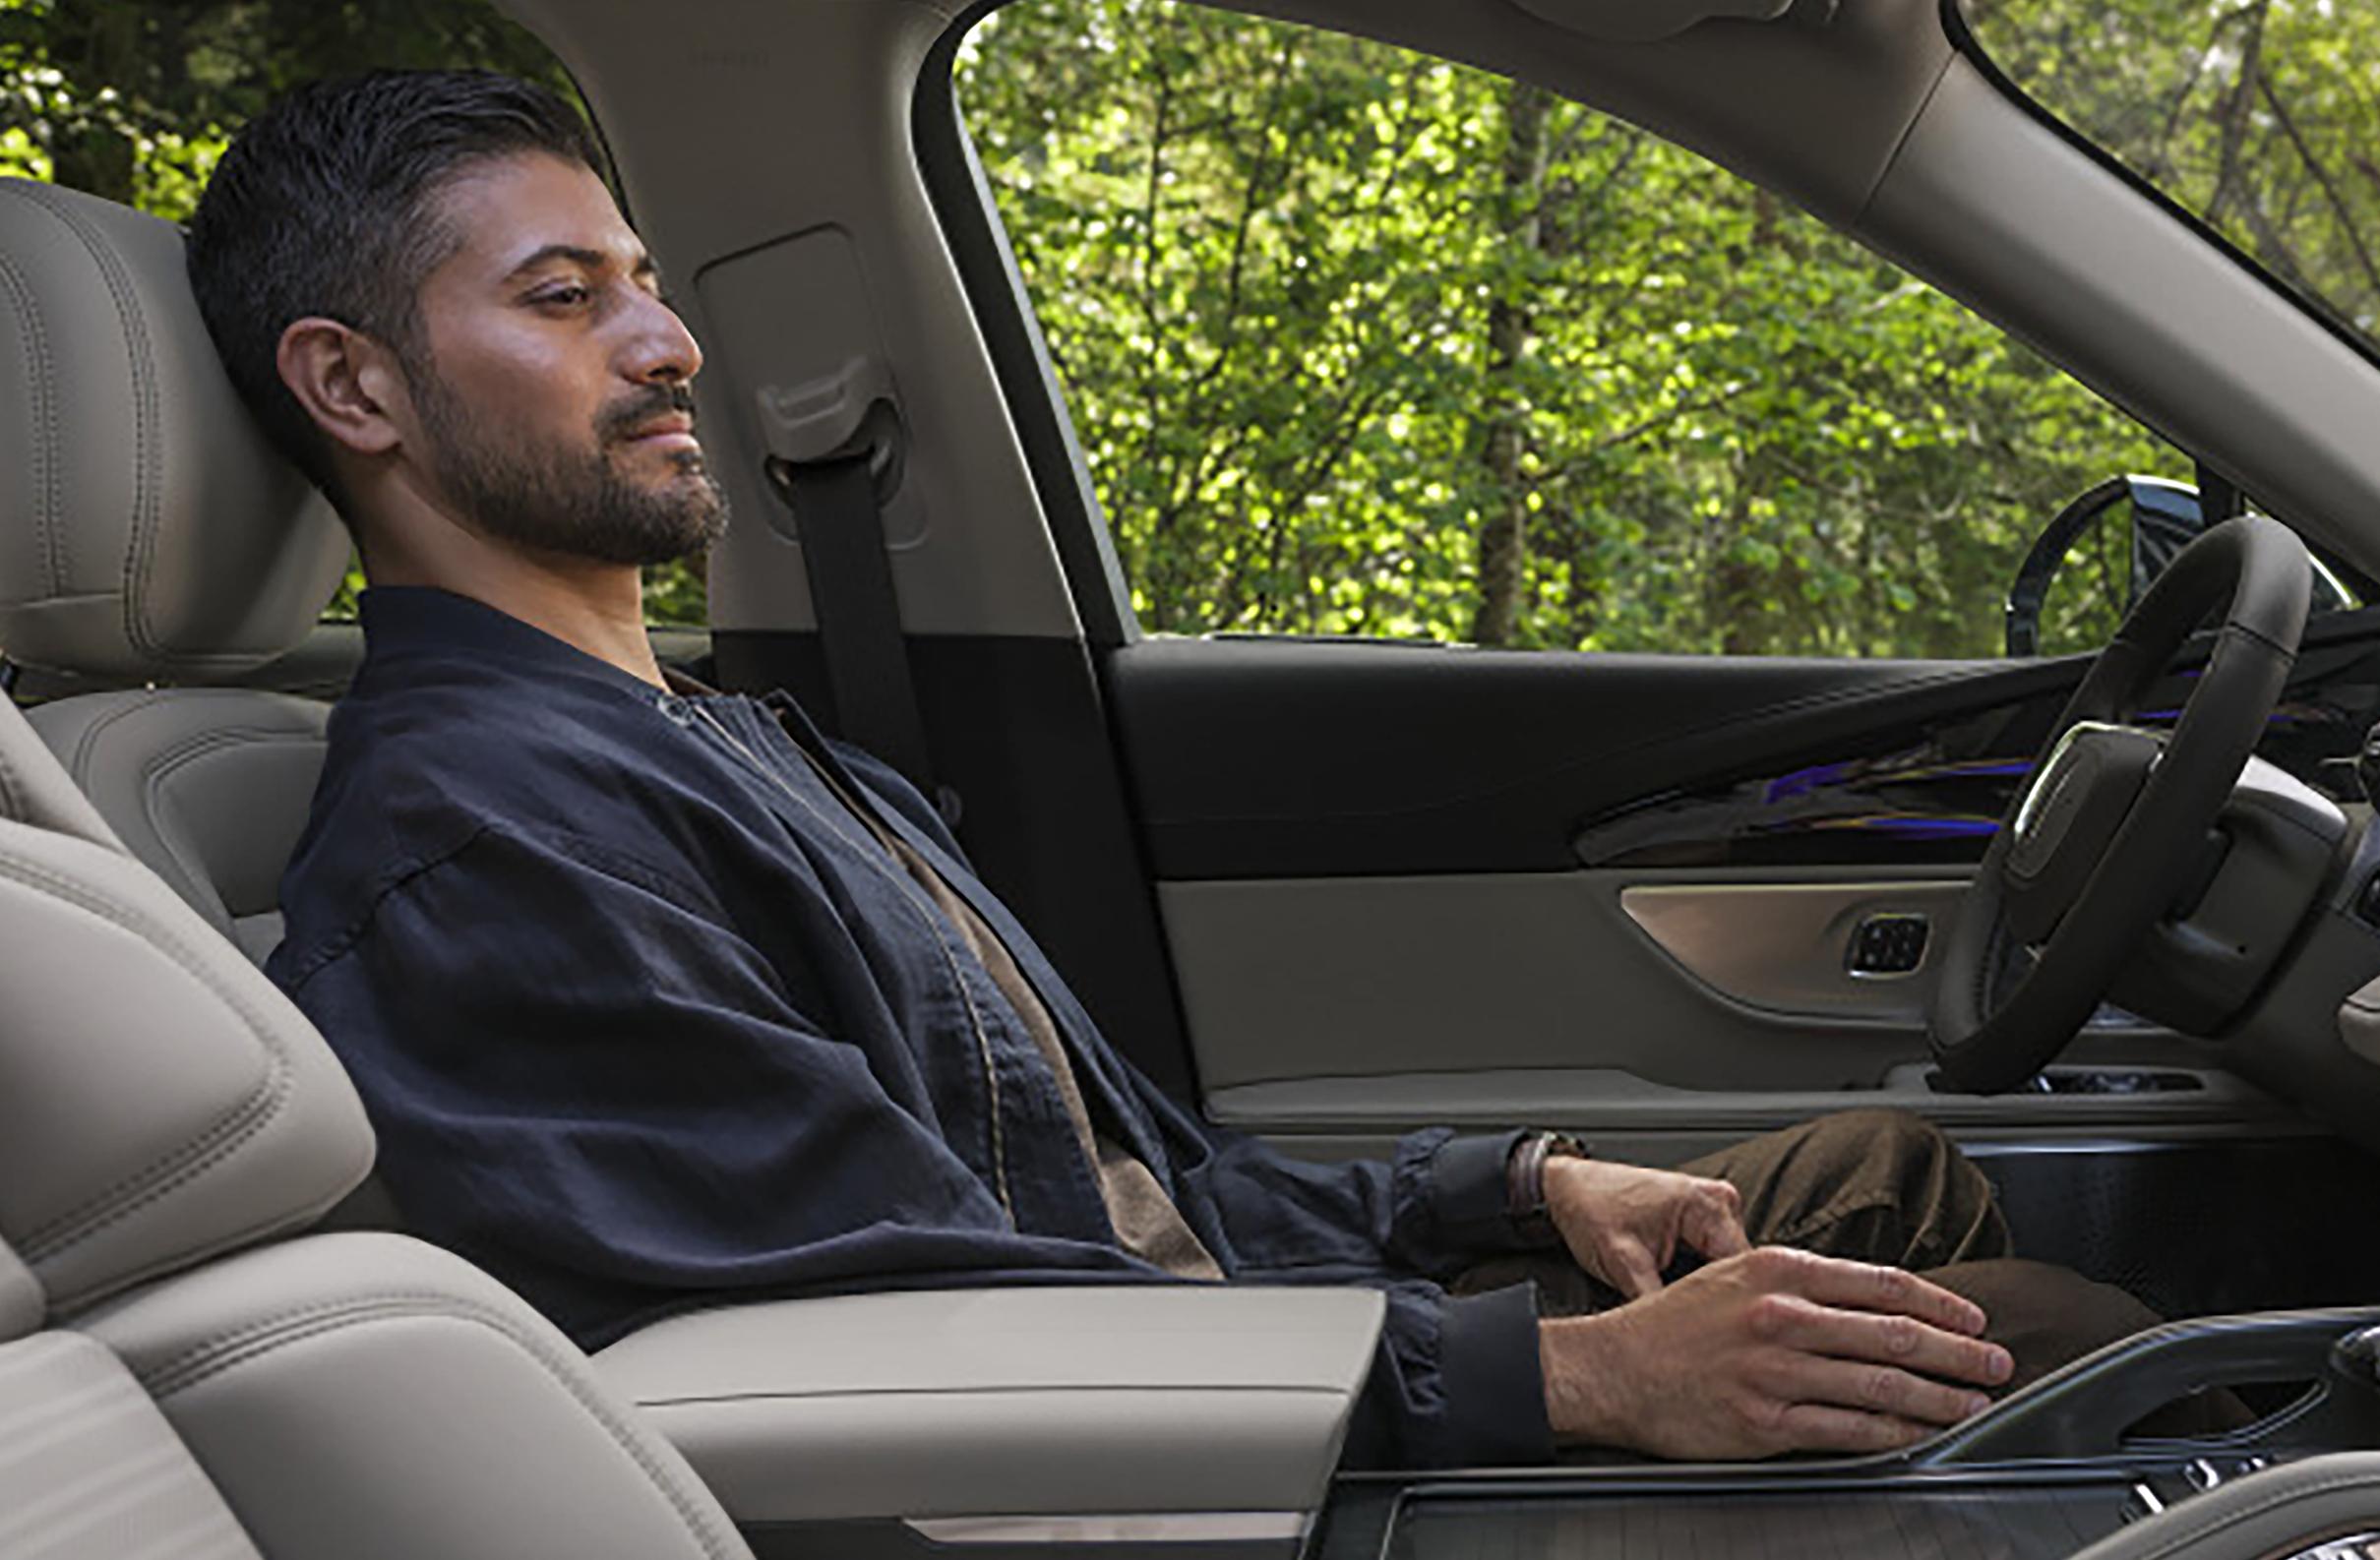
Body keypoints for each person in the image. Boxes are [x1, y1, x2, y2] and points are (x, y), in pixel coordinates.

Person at [186, 69, 2190, 1470]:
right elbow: (923, 1356)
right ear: (352, 383)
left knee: (1876, 1176)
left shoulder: (713, 736)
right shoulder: (488, 846)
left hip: (1210, 1337)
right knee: (2083, 1364)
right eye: (561, 297)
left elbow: (1146, 1180)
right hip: (1174, 1469)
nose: (669, 339)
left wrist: (1519, 1185)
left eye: (640, 277)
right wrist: (1572, 1379)